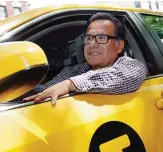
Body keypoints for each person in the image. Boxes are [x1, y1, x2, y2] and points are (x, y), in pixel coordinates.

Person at [18, 12, 148, 105]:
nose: (92, 43)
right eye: (89, 38)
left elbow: (126, 77)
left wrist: (70, 84)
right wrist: (15, 88)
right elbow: (45, 92)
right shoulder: (73, 72)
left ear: (119, 46)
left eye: (101, 38)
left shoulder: (132, 66)